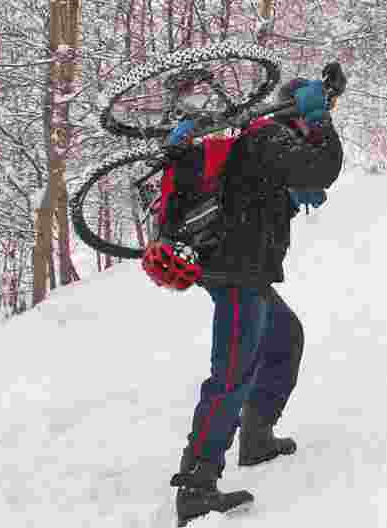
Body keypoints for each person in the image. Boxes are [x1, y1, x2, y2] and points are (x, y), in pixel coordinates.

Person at [144, 64, 346, 527]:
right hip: (236, 271)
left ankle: (257, 436)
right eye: (312, 114)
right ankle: (197, 484)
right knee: (232, 371)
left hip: (240, 268)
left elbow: (257, 189)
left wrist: (289, 197)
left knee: (285, 337)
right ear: (298, 112)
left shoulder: (257, 142)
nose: (314, 126)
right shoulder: (269, 135)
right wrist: (322, 120)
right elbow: (324, 166)